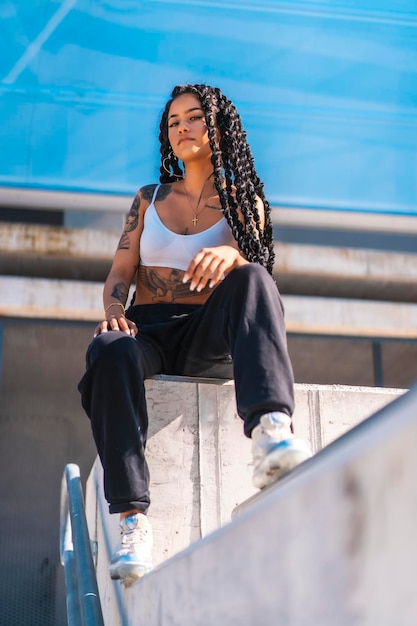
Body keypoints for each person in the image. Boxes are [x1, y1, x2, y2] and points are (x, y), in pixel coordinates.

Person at [78, 83, 311, 587]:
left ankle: (271, 429)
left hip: (209, 335)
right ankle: (132, 520)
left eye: (194, 118)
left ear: (218, 126)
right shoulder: (148, 199)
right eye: (173, 122)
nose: (182, 128)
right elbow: (121, 271)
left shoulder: (244, 200)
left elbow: (259, 276)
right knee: (108, 349)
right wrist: (115, 311)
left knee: (252, 277)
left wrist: (234, 257)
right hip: (151, 331)